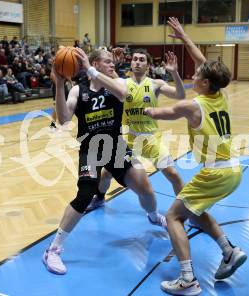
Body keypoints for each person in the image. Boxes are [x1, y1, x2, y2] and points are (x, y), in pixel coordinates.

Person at [144, 17, 247, 295]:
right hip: (232, 169)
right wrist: (184, 37)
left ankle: (187, 279)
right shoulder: (219, 94)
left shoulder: (192, 105)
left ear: (203, 82)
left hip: (216, 171)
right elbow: (203, 61)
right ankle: (229, 251)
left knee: (174, 216)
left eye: (196, 75)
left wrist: (141, 106)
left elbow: (157, 113)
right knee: (195, 211)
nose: (192, 75)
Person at [43, 49, 167, 275]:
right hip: (90, 149)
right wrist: (59, 83)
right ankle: (53, 249)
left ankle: (153, 216)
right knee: (85, 194)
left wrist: (89, 70)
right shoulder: (78, 91)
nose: (113, 65)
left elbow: (122, 93)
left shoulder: (117, 83)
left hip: (115, 146)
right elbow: (63, 119)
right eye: (108, 61)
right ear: (95, 63)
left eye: (112, 61)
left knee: (146, 189)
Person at [85, 48, 186, 212]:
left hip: (152, 140)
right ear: (131, 63)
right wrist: (113, 63)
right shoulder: (122, 83)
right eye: (135, 59)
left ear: (148, 65)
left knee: (173, 174)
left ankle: (186, 208)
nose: (138, 62)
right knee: (106, 173)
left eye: (142, 60)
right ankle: (100, 198)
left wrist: (174, 73)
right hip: (131, 139)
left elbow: (180, 95)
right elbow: (102, 74)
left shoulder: (156, 84)